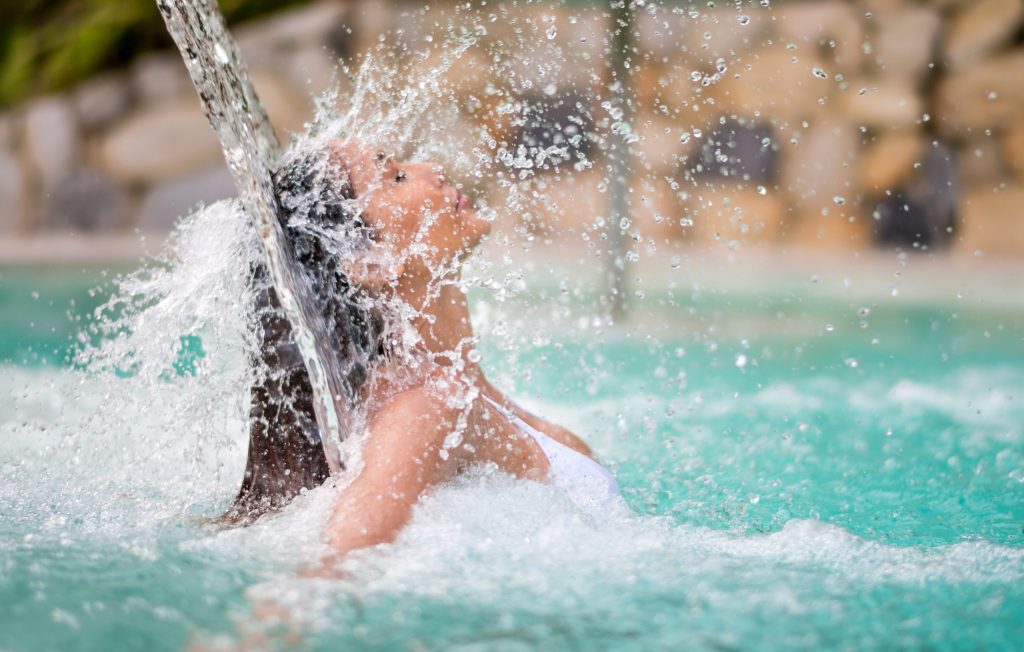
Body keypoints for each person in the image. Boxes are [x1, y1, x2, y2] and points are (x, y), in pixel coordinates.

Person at [223, 140, 619, 557]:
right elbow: (340, 559)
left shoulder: (456, 389)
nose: (431, 167)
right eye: (396, 177)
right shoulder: (429, 401)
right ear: (371, 263)